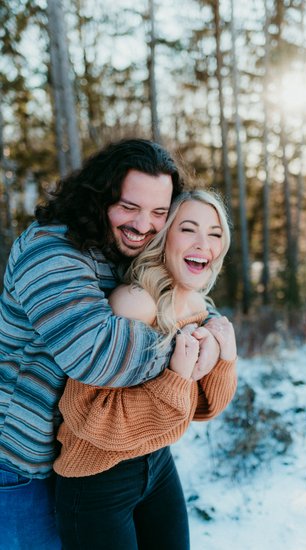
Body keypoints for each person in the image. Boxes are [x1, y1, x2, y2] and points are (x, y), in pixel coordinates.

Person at [0, 139, 221, 549]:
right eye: (129, 206)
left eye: (159, 212)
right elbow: (98, 355)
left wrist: (213, 326)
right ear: (97, 196)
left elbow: (178, 288)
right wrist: (187, 346)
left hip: (105, 456)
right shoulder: (50, 251)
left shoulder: (126, 246)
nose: (143, 224)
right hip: (22, 464)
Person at [54, 190, 238, 550]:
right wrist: (175, 379)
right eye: (189, 229)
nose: (205, 244)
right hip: (96, 481)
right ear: (165, 234)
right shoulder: (135, 302)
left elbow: (205, 408)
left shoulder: (195, 302)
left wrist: (224, 357)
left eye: (215, 233)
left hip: (157, 464)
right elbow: (88, 418)